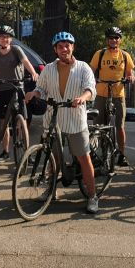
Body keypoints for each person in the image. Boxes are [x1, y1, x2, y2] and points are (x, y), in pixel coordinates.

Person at [25, 31, 99, 214]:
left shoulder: (83, 68)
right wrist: (35, 93)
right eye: (60, 46)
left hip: (75, 119)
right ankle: (51, 190)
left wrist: (82, 98)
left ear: (72, 47)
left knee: (83, 157)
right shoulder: (49, 68)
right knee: (53, 157)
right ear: (55, 50)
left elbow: (90, 89)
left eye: (67, 45)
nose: (64, 49)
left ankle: (92, 195)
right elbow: (41, 88)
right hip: (53, 119)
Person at [0, 25, 39, 161]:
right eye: (2, 37)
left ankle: (26, 152)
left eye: (7, 37)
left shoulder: (16, 50)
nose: (5, 39)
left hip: (16, 88)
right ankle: (5, 152)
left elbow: (26, 62)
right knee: (4, 123)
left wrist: (33, 72)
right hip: (0, 89)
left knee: (22, 120)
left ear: (11, 39)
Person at [89, 26, 135, 167]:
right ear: (107, 40)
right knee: (98, 125)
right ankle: (99, 153)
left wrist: (130, 78)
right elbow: (91, 71)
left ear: (120, 40)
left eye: (116, 38)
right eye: (111, 38)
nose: (114, 40)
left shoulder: (125, 56)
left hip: (118, 94)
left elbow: (130, 73)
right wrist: (92, 79)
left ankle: (121, 154)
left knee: (120, 126)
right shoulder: (100, 54)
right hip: (101, 93)